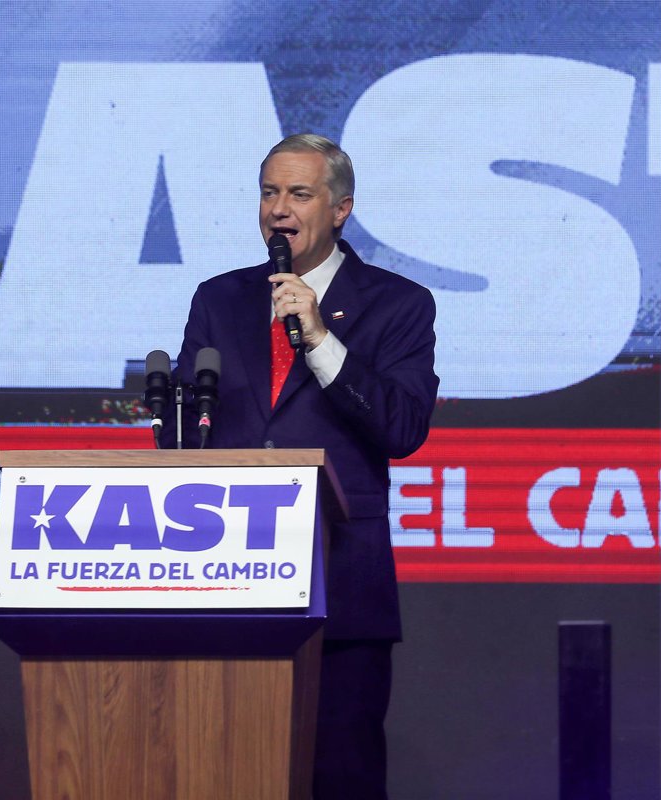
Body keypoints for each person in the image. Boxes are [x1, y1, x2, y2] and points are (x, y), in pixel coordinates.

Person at [166, 133, 438, 797]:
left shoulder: (398, 304)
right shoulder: (219, 299)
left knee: (340, 775)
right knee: (221, 772)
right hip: (225, 582)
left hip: (339, 586)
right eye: (269, 192)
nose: (278, 208)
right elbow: (183, 429)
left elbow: (402, 429)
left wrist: (319, 338)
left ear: (341, 209)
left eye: (298, 193)